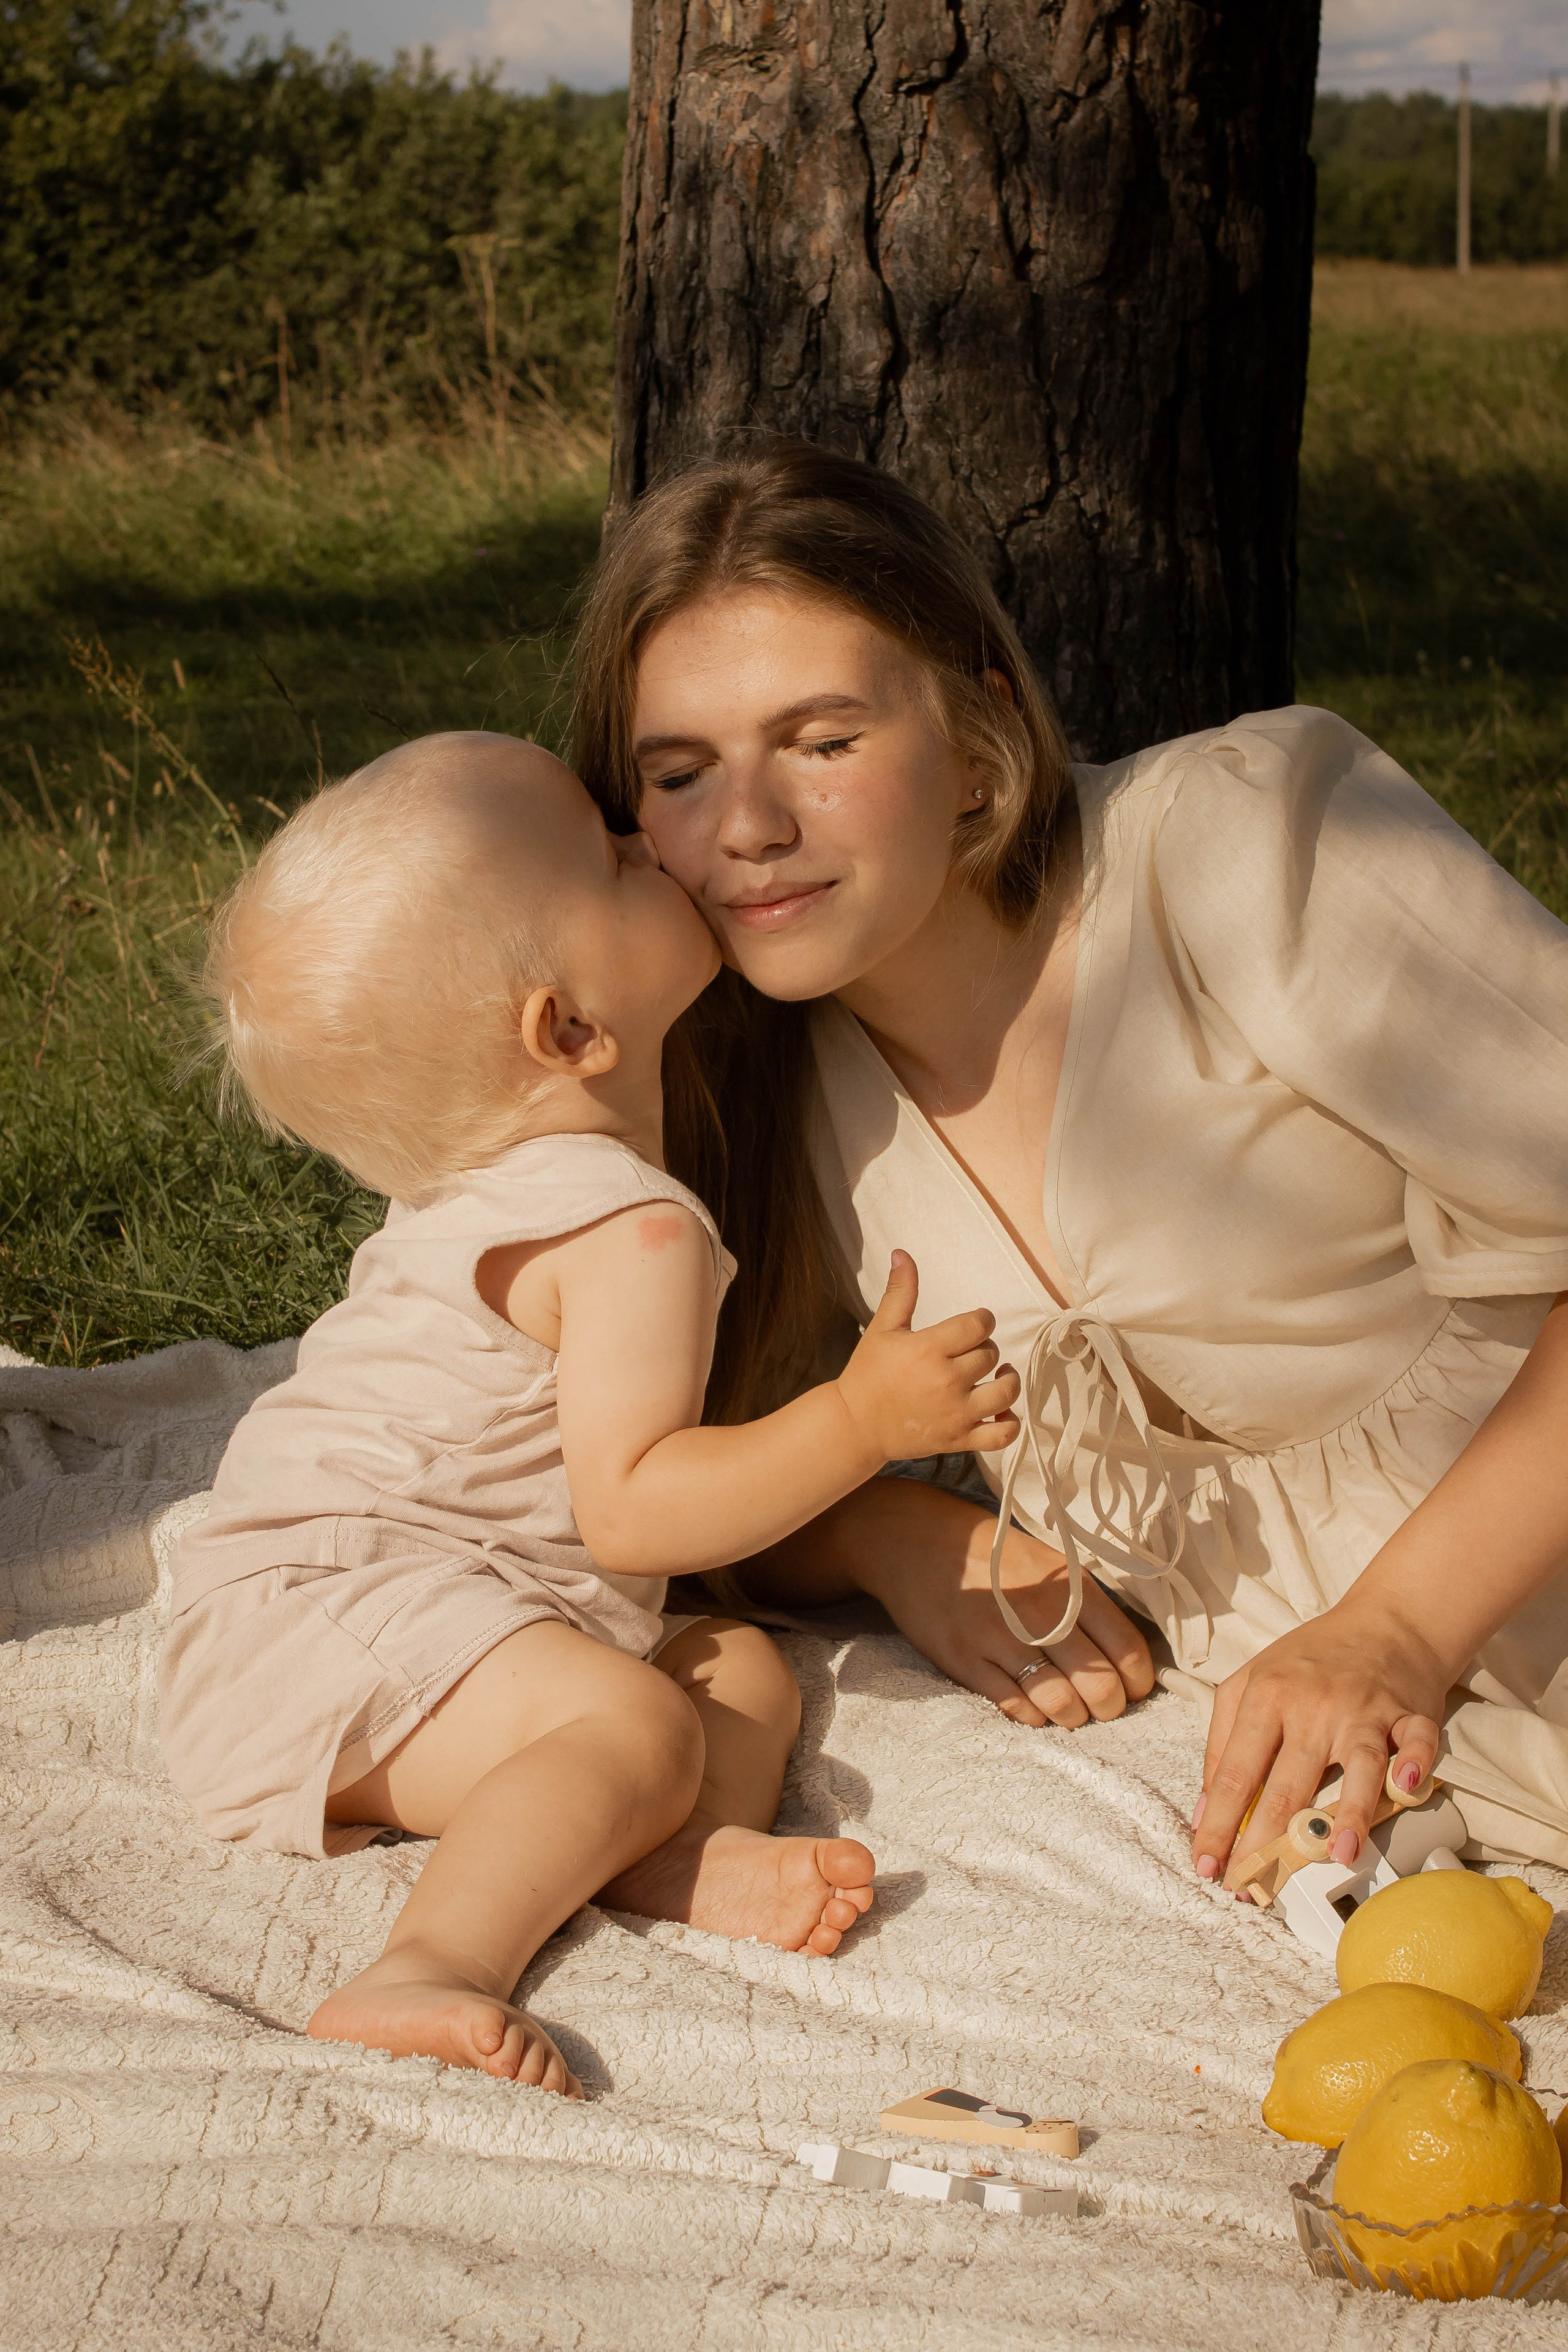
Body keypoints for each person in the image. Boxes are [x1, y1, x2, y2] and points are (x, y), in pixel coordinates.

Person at [570, 439, 1568, 1887]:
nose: (747, 830)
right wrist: (889, 1532)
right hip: (1345, 1728)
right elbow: (654, 1482)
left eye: (824, 742)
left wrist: (1398, 1624)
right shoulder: (750, 1063)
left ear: (977, 741)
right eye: (679, 773)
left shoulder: (1235, 845)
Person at [159, 731, 1020, 2092]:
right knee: (637, 1725)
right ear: (567, 1030)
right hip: (331, 1614)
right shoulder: (628, 1230)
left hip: (392, 1603)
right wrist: (859, 1423)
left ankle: (661, 1852)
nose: (645, 840)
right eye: (612, 857)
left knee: (728, 1669)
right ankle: (428, 1967)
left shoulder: (494, 1167)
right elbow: (633, 1506)